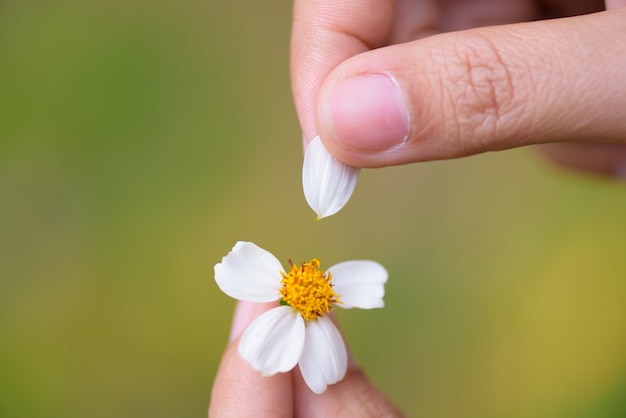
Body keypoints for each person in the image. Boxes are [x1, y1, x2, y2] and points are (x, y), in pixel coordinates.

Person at [209, 1, 626, 416]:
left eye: (309, 285)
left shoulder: (312, 292)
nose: (311, 284)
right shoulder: (303, 304)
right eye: (310, 287)